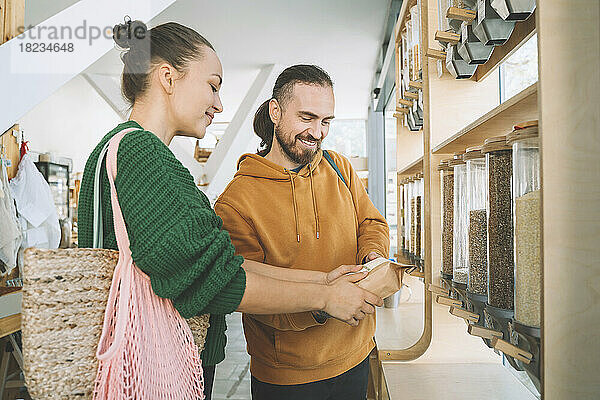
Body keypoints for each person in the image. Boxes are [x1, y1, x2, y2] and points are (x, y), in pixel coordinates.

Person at [77, 21, 383, 399]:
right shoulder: (142, 155)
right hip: (153, 364)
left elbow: (221, 264)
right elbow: (215, 279)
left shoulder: (131, 151)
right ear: (168, 78)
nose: (219, 103)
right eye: (213, 84)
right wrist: (323, 297)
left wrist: (324, 282)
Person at [214, 64, 390, 400]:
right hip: (286, 377)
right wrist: (324, 304)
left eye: (326, 121)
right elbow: (251, 294)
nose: (318, 132)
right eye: (307, 117)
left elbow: (371, 223)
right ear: (275, 112)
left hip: (356, 355)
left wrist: (373, 256)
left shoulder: (340, 166)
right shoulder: (236, 201)